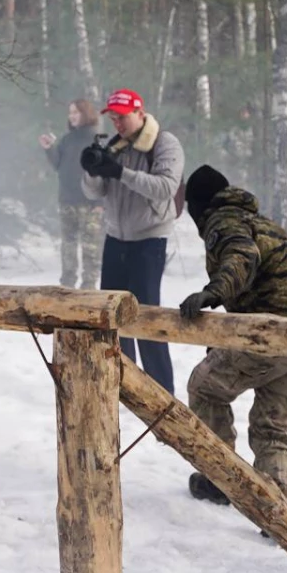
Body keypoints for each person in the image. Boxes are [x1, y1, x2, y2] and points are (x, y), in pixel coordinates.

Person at [178, 165, 287, 508]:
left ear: (199, 206)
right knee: (270, 430)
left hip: (273, 336)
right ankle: (282, 505)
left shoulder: (224, 220)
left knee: (205, 389)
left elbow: (242, 256)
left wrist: (213, 291)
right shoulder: (261, 223)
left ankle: (219, 479)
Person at [79, 88, 183, 391]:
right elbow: (93, 194)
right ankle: (123, 384)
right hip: (116, 237)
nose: (117, 124)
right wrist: (92, 172)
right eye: (113, 118)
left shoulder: (165, 143)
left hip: (149, 239)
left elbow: (165, 187)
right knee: (112, 313)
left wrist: (120, 172)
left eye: (122, 118)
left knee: (147, 315)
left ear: (140, 112)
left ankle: (161, 390)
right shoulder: (115, 144)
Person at [39, 98, 104, 288]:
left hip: (91, 203)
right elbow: (59, 165)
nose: (72, 116)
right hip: (67, 200)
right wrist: (49, 148)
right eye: (70, 113)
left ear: (86, 114)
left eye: (76, 112)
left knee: (90, 248)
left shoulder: (97, 139)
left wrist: (101, 202)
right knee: (68, 246)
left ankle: (89, 287)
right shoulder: (67, 139)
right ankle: (67, 285)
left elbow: (105, 173)